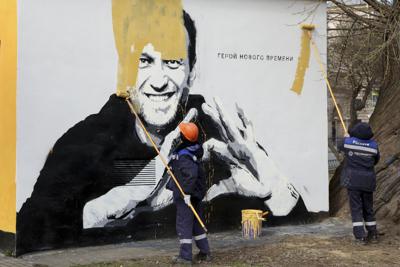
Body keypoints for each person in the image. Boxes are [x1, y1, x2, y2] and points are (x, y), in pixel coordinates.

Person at [17, 4, 299, 254]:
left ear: (192, 72)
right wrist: (116, 201)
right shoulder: (86, 142)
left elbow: (294, 228)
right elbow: (29, 230)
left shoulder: (218, 133)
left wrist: (275, 190)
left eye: (173, 62)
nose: (159, 81)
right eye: (145, 61)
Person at [167, 122, 211, 264]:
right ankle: (205, 252)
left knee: (184, 224)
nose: (180, 134)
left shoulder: (185, 155)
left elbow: (190, 175)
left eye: (182, 133)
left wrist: (186, 194)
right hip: (195, 192)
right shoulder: (193, 149)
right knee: (196, 223)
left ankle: (185, 257)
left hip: (187, 194)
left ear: (184, 137)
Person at [340, 122, 380, 244]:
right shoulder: (374, 146)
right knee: (368, 208)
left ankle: (360, 236)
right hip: (368, 182)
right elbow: (376, 160)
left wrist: (346, 137)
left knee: (356, 208)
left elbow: (339, 146)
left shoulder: (348, 142)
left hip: (353, 182)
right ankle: (372, 234)